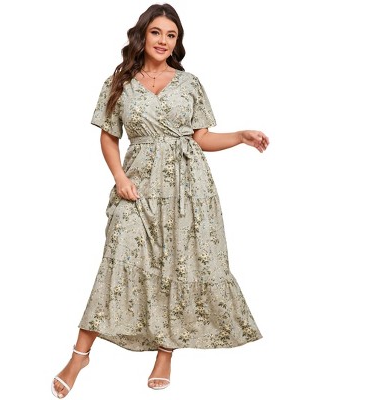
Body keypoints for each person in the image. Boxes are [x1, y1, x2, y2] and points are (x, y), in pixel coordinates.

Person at [51, 3, 268, 397]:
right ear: (142, 35)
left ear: (177, 41)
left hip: (189, 189)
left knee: (179, 264)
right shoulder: (119, 82)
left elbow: (201, 138)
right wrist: (119, 178)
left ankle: (166, 352)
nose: (164, 41)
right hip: (138, 186)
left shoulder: (190, 83)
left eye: (172, 35)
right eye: (157, 32)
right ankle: (79, 355)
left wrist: (239, 137)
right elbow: (108, 135)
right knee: (117, 260)